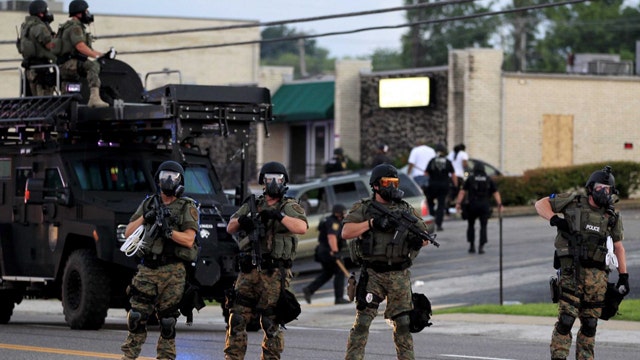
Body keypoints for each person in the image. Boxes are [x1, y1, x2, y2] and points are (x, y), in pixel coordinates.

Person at [534, 165, 629, 360]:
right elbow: (541, 204)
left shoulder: (611, 217)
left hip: (597, 279)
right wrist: (555, 220)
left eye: (607, 189)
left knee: (590, 324)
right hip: (572, 273)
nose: (603, 192)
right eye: (600, 187)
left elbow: (618, 247)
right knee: (566, 320)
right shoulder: (573, 202)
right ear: (591, 187)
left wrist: (624, 276)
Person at [342, 164, 433, 360]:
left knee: (403, 325)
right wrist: (372, 223)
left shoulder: (405, 209)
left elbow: (425, 235)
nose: (391, 187)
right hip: (373, 274)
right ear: (375, 186)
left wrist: (418, 240)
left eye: (394, 183)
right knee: (363, 323)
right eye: (386, 183)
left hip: (399, 275)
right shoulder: (365, 208)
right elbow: (346, 232)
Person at [225, 161, 308, 360]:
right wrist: (242, 221)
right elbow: (230, 227)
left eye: (277, 179)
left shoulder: (290, 206)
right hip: (249, 271)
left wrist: (278, 216)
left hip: (274, 273)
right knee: (237, 317)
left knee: (271, 322)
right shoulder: (253, 204)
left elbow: (301, 227)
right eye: (269, 178)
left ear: (284, 181)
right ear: (263, 181)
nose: (273, 183)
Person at [120, 161, 199, 360]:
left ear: (180, 181)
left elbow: (189, 240)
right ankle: (128, 356)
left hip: (173, 271)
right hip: (147, 269)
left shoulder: (186, 207)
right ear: (158, 179)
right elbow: (129, 232)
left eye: (173, 176)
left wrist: (169, 232)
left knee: (167, 322)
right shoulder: (149, 203)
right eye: (165, 176)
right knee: (136, 317)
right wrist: (146, 218)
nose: (169, 180)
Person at [57, 0, 109, 107]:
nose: (88, 14)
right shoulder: (75, 27)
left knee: (67, 97)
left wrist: (101, 54)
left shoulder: (69, 26)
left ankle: (65, 105)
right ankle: (94, 98)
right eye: (86, 11)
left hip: (65, 64)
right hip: (69, 64)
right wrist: (97, 56)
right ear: (79, 13)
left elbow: (86, 49)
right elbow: (80, 46)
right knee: (93, 65)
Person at [303, 203, 349, 305]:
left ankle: (309, 289)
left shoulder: (328, 220)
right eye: (343, 213)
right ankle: (339, 298)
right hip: (329, 251)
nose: (344, 215)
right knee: (339, 272)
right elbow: (331, 237)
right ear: (337, 214)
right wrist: (335, 252)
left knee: (328, 273)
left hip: (322, 250)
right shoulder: (334, 223)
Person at [455, 162, 502, 254]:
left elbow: (462, 192)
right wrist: (499, 204)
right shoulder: (488, 179)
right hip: (484, 206)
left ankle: (472, 246)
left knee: (471, 225)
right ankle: (481, 247)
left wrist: (458, 203)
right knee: (483, 226)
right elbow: (495, 192)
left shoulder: (471, 178)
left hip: (472, 205)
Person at [18, 0, 57, 96]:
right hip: (42, 70)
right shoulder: (40, 27)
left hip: (30, 69)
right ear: (41, 13)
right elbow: (50, 45)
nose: (48, 14)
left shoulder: (25, 26)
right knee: (45, 102)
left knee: (33, 102)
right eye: (46, 11)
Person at [425, 143, 457, 231]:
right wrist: (456, 185)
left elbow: (426, 173)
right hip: (444, 186)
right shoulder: (448, 161)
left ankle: (431, 221)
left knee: (430, 203)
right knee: (441, 205)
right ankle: (439, 225)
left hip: (432, 185)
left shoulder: (432, 161)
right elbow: (453, 174)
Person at [446, 143, 469, 210]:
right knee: (462, 191)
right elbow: (464, 164)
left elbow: (448, 163)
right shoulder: (463, 154)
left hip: (450, 176)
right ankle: (461, 207)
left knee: (451, 192)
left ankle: (447, 208)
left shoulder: (451, 154)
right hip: (459, 176)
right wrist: (467, 170)